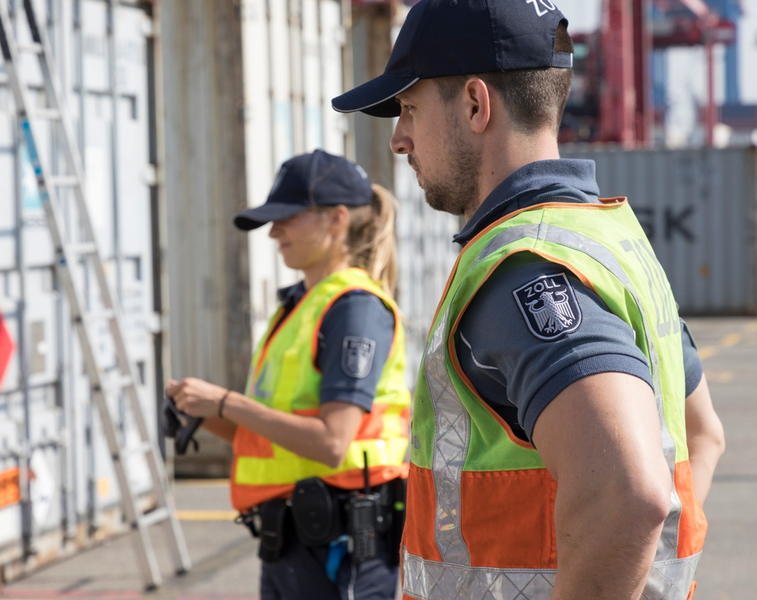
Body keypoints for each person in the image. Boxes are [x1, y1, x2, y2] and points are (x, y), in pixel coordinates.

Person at [332, 1, 725, 598]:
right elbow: (703, 435)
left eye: (409, 109)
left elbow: (631, 494)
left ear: (474, 103)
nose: (398, 139)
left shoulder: (526, 268)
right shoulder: (607, 240)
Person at [164, 149, 411, 600]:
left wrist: (224, 403)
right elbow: (268, 437)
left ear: (336, 219)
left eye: (287, 218)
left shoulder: (354, 309)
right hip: (291, 545)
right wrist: (200, 412)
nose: (273, 232)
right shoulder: (298, 306)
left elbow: (332, 442)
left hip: (340, 550)